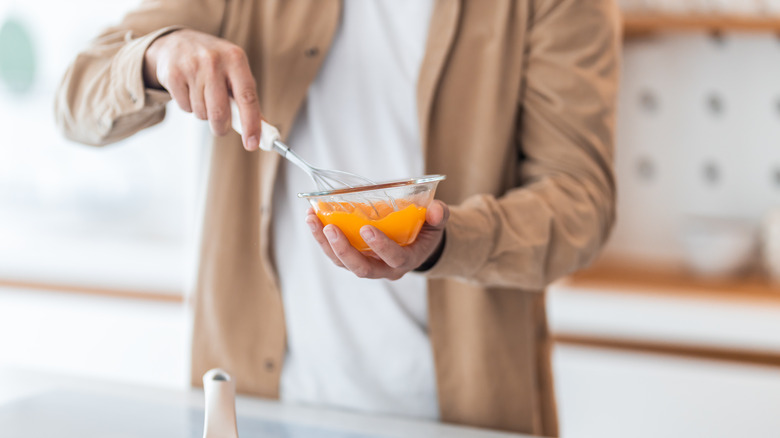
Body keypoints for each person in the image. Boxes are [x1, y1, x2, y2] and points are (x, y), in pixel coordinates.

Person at [55, 0, 620, 435]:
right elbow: (77, 101)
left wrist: (451, 240)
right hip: (259, 410)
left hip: (461, 414)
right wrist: (160, 54)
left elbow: (580, 203)